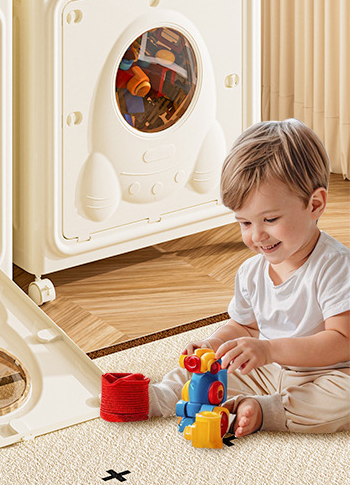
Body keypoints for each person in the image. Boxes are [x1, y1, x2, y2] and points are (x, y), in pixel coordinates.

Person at [148, 119, 350, 435]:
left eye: (270, 219)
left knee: (342, 398)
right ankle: (161, 397)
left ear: (315, 205)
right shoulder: (251, 272)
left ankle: (263, 410)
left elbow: (342, 342)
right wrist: (215, 345)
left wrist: (269, 350)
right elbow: (243, 326)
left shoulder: (335, 266)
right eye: (244, 223)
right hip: (267, 370)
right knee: (210, 372)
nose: (257, 236)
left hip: (328, 373)